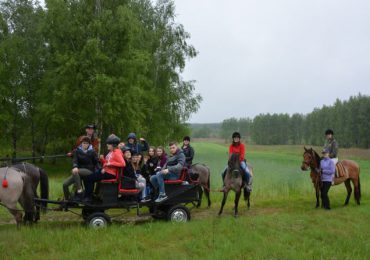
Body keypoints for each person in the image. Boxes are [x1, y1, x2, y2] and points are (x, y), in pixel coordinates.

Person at [84, 134, 125, 201]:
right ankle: (91, 195)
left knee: (88, 179)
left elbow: (122, 163)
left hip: (110, 174)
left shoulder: (117, 152)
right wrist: (103, 160)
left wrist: (109, 164)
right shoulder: (112, 152)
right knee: (89, 177)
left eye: (108, 144)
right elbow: (108, 162)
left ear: (113, 145)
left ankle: (88, 197)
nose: (107, 145)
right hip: (107, 172)